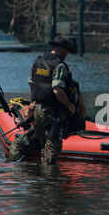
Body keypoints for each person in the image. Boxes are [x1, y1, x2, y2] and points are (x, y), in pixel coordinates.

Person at [30, 36, 80, 165]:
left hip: (38, 110)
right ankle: (50, 181)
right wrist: (69, 105)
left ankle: (40, 177)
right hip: (52, 112)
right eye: (67, 50)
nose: (67, 53)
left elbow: (32, 85)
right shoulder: (60, 66)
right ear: (61, 49)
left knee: (42, 146)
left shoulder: (38, 62)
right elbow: (57, 90)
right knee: (52, 147)